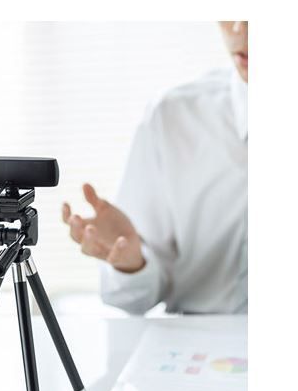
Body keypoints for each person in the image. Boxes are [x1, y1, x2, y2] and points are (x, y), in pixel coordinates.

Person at [62, 21, 248, 315]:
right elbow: (134, 299)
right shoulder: (174, 116)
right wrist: (132, 263)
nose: (239, 29)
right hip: (194, 338)